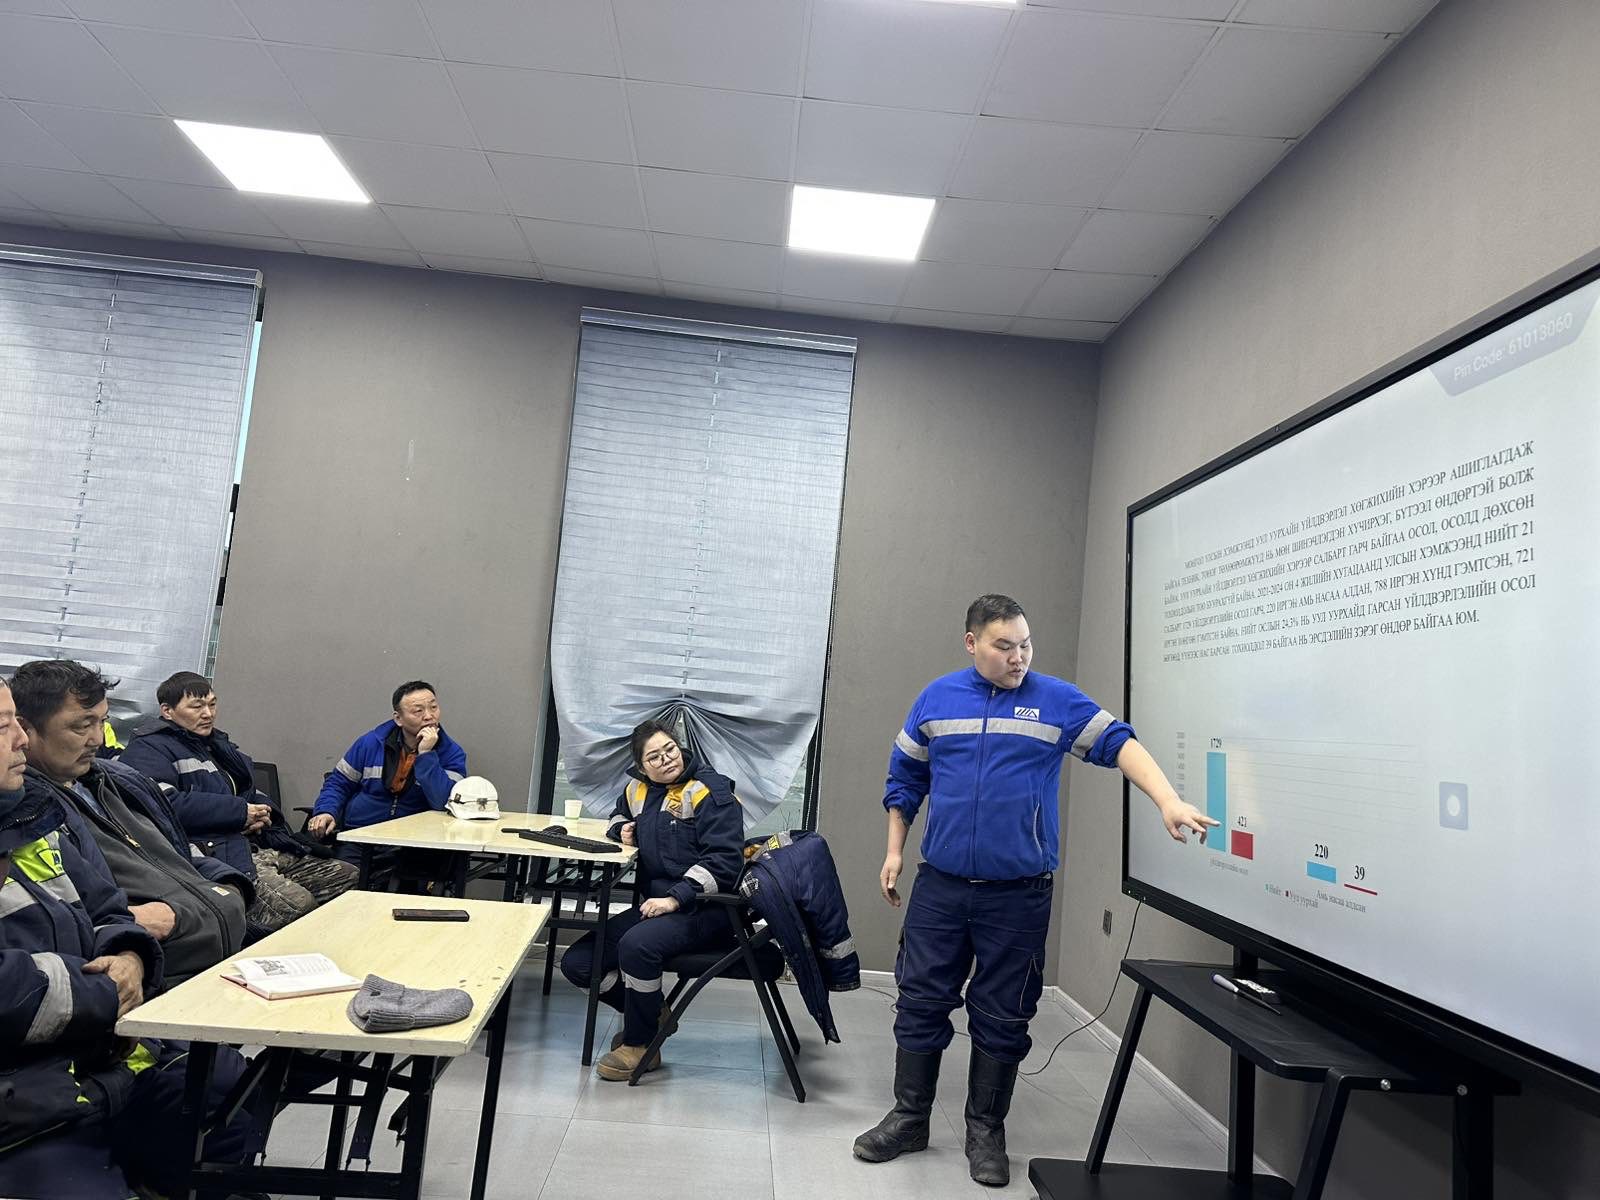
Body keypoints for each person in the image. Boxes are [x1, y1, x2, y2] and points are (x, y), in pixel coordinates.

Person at [853, 595, 1217, 1187]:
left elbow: (1120, 743)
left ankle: (985, 1131)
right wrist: (894, 851)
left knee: (1004, 1013)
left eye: (1025, 644)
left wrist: (1168, 800)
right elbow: (906, 779)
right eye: (1004, 646)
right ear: (972, 643)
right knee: (920, 1001)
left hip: (1017, 895)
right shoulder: (936, 699)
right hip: (941, 888)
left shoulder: (1056, 700)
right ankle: (909, 1118)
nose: (1018, 656)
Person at [0, 675, 255, 1199]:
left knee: (229, 1094)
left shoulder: (36, 815)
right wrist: (111, 987)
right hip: (26, 1091)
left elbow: (108, 908)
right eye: (4, 727)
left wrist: (130, 955)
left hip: (101, 1054)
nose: (20, 739)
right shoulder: (51, 800)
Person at [10, 660, 251, 986]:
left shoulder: (120, 780)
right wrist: (148, 923)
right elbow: (74, 912)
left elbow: (175, 847)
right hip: (160, 972)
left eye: (102, 722)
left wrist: (230, 885)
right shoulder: (29, 813)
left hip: (217, 941)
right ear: (24, 730)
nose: (97, 739)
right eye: (82, 726)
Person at [559, 719, 745, 1081]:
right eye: (654, 757)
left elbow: (725, 863)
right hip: (656, 907)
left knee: (636, 946)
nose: (666, 759)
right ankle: (654, 1014)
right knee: (579, 963)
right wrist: (621, 829)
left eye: (670, 749)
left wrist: (675, 898)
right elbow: (616, 814)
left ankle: (640, 1043)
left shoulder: (710, 790)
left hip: (705, 909)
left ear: (679, 747)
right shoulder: (637, 789)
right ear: (642, 767)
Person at [119, 671, 357, 931]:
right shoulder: (148, 749)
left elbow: (249, 791)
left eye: (212, 704)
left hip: (255, 845)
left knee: (347, 876)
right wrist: (240, 813)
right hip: (213, 855)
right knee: (296, 905)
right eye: (197, 706)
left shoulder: (216, 747)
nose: (208, 714)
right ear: (167, 711)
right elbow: (162, 806)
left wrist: (263, 814)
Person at [308, 681, 467, 885]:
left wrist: (426, 755)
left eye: (433, 707)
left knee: (397, 892)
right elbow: (338, 783)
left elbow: (443, 802)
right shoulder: (370, 743)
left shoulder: (451, 753)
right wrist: (326, 811)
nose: (429, 716)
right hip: (360, 836)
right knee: (337, 885)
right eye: (418, 711)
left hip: (413, 846)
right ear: (398, 718)